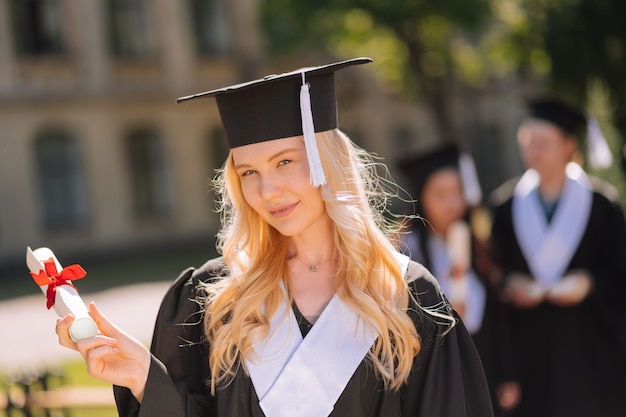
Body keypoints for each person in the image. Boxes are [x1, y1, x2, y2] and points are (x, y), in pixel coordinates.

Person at [55, 57, 494, 416]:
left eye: (285, 162)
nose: (268, 191)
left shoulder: (406, 296)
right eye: (249, 172)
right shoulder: (216, 297)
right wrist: (140, 378)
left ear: (328, 162)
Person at [489, 97, 626, 417]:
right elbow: (496, 274)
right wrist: (512, 284)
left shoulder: (602, 204)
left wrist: (591, 284)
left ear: (569, 145)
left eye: (543, 143)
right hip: (532, 349)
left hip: (592, 346)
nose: (533, 151)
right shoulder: (506, 207)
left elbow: (621, 273)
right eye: (528, 142)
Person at [397, 144, 520, 416]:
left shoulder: (481, 248)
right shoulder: (405, 255)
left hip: (483, 366)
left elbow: (498, 319)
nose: (452, 204)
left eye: (457, 193)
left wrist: (507, 374)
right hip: (434, 373)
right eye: (441, 195)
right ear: (422, 199)